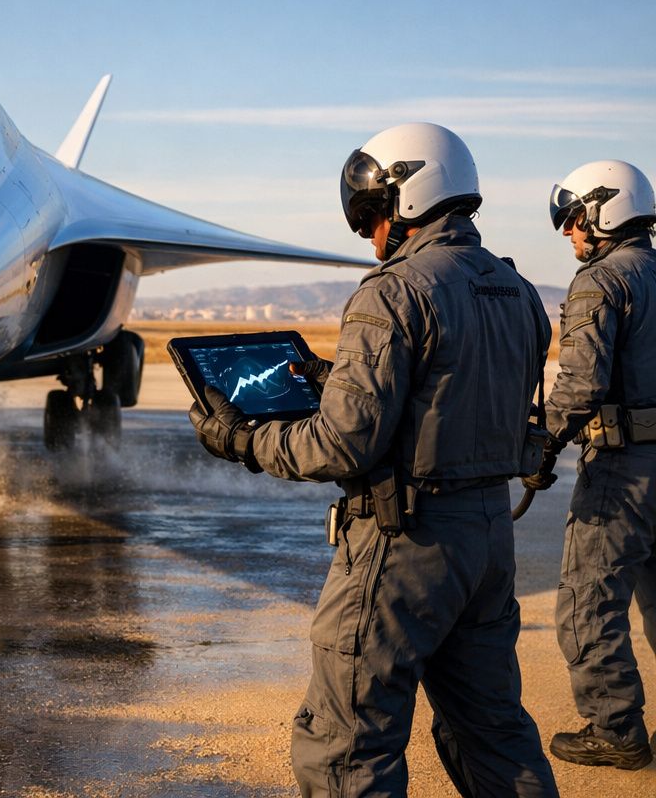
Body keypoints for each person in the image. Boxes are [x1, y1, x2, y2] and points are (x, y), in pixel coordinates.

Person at [189, 122, 558, 796]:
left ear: (407, 198)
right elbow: (456, 392)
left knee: (348, 745)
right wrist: (344, 378)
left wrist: (242, 439)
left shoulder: (392, 292)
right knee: (494, 734)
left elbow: (340, 444)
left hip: (402, 545)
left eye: (373, 212)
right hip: (487, 539)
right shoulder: (518, 292)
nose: (370, 231)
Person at [541, 160, 656, 771]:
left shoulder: (602, 280)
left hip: (622, 470)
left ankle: (616, 731)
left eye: (573, 219)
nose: (569, 233)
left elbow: (580, 385)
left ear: (603, 212)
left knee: (589, 601)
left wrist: (541, 447)